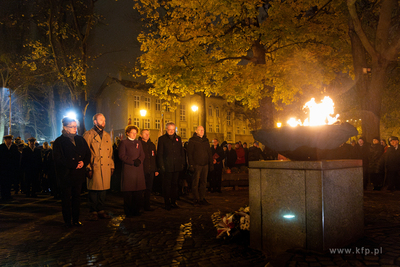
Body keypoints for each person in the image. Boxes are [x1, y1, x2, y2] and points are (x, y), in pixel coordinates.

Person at [53, 117, 91, 227]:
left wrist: (83, 162)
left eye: (75, 126)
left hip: (78, 175)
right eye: (72, 127)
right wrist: (73, 164)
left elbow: (88, 153)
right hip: (66, 175)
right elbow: (58, 159)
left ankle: (76, 219)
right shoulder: (59, 142)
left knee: (77, 198)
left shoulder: (80, 139)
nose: (75, 129)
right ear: (65, 127)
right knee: (66, 199)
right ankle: (67, 220)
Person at [83, 113, 114, 221]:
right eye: (101, 120)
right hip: (94, 165)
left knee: (103, 190)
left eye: (104, 120)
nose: (103, 122)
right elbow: (85, 152)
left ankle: (101, 210)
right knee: (94, 190)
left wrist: (111, 166)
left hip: (105, 165)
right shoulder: (88, 134)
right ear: (95, 121)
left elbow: (110, 152)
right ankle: (93, 211)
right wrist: (88, 167)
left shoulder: (106, 135)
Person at [118, 125, 146, 217]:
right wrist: (132, 162)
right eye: (132, 133)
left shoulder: (139, 142)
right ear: (128, 133)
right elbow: (121, 155)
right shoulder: (124, 142)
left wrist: (140, 160)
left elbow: (142, 154)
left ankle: (136, 210)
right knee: (129, 192)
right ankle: (128, 211)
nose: (134, 134)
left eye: (135, 133)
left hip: (138, 170)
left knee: (138, 192)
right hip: (129, 170)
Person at [157, 122, 184, 210]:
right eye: (170, 129)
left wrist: (182, 163)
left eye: (173, 129)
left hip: (176, 166)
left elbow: (181, 152)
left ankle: (173, 201)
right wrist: (161, 165)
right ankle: (167, 203)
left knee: (175, 185)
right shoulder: (162, 139)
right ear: (166, 129)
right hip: (167, 166)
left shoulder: (178, 139)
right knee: (167, 185)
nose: (172, 131)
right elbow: (160, 153)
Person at [187, 126, 213, 206]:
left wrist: (210, 163)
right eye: (200, 130)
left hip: (205, 164)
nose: (202, 131)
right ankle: (196, 199)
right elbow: (189, 153)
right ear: (196, 131)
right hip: (197, 165)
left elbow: (209, 152)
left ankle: (202, 198)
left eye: (203, 130)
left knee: (204, 182)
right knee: (195, 182)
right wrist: (191, 164)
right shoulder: (192, 140)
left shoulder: (206, 140)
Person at [139, 129, 159, 211]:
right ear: (141, 135)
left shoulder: (152, 145)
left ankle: (147, 205)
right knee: (140, 189)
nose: (147, 135)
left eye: (148, 134)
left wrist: (156, 169)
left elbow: (154, 157)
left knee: (149, 189)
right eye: (145, 134)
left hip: (150, 170)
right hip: (141, 170)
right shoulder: (138, 144)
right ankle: (139, 206)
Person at [0, 135, 20, 201]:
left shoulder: (14, 147)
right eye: (8, 139)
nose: (9, 141)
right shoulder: (1, 147)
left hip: (11, 168)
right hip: (3, 168)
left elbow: (17, 158)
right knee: (3, 182)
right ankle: (3, 195)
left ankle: (8, 194)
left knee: (9, 182)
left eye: (10, 139)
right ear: (5, 140)